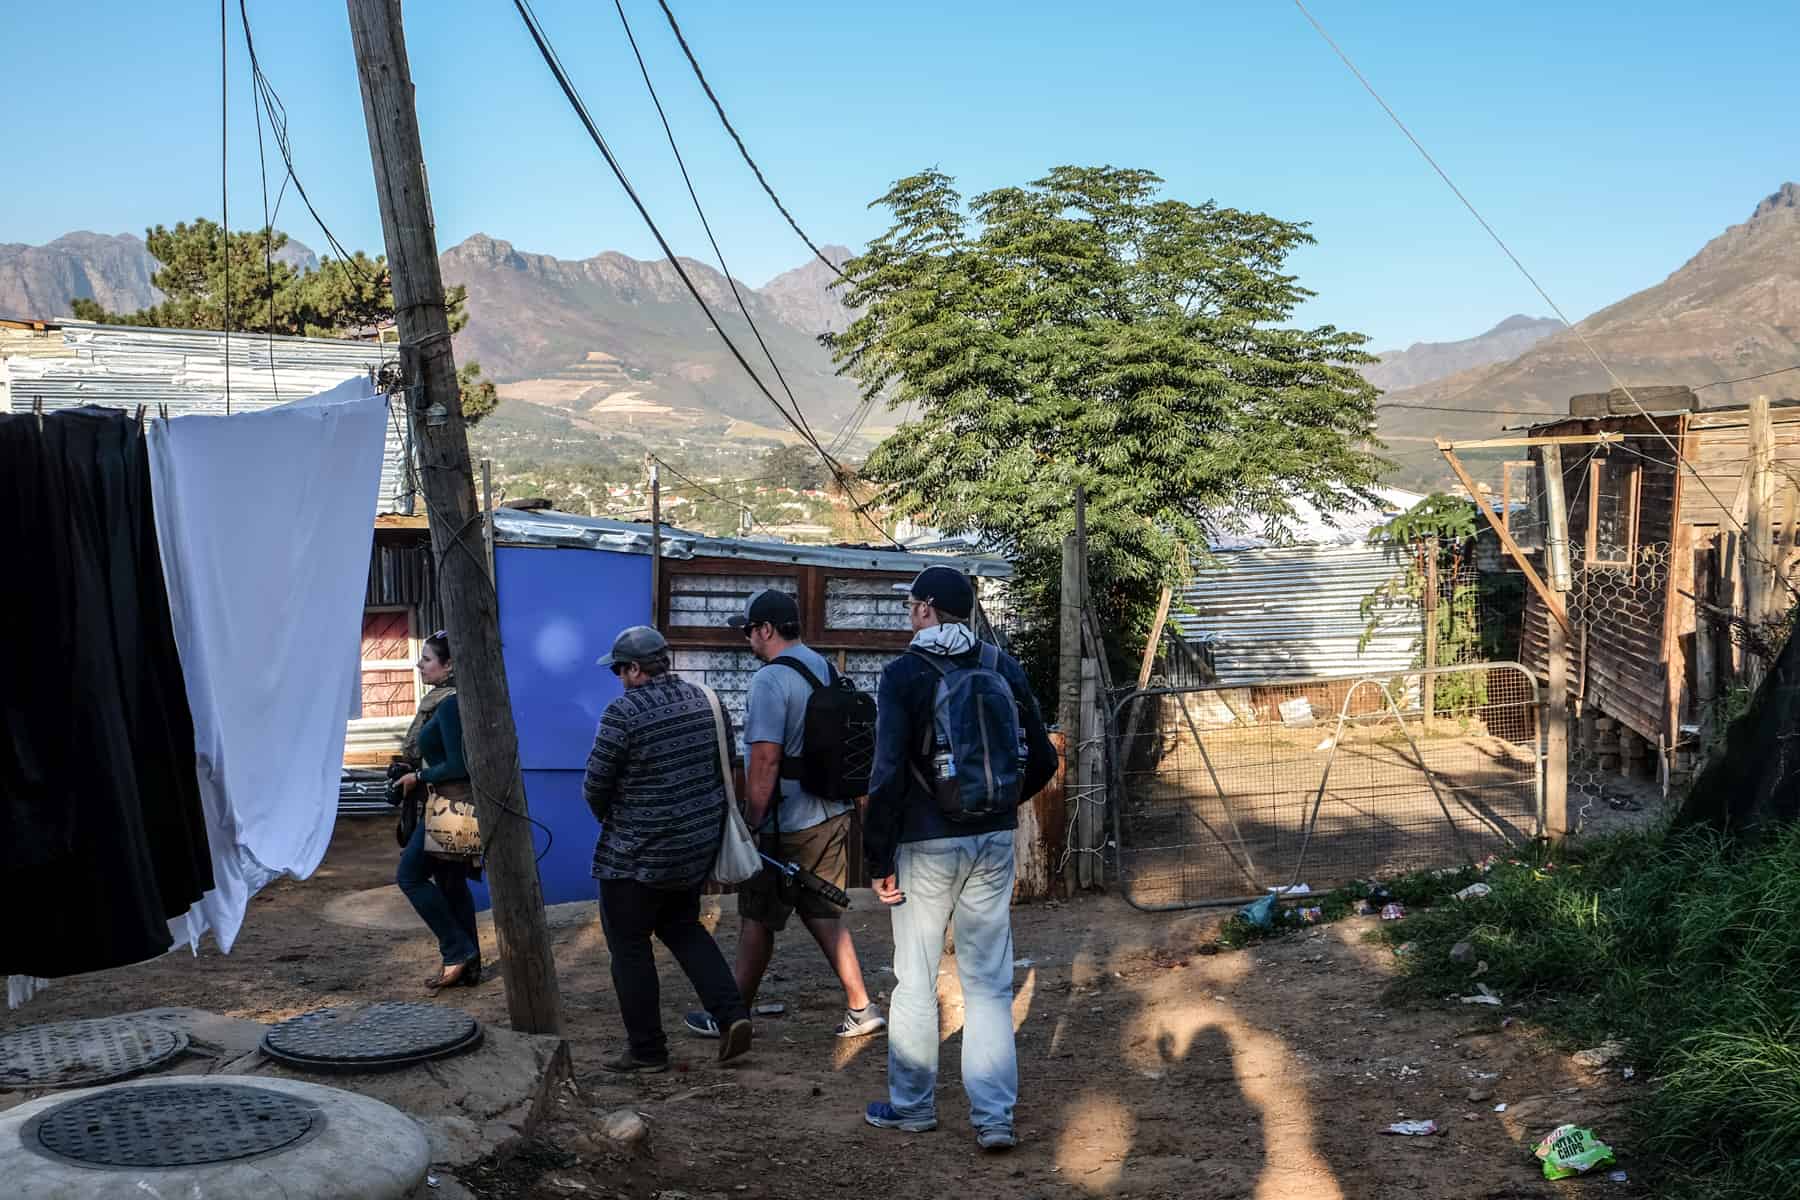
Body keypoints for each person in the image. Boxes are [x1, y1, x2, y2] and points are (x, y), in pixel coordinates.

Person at [861, 567, 1058, 1151]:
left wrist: (877, 858)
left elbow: (888, 771)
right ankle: (995, 1119)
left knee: (916, 978)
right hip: (994, 841)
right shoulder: (1002, 665)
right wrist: (997, 807)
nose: (907, 615)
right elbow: (1043, 760)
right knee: (990, 984)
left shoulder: (903, 674)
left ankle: (913, 1107)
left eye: (911, 606)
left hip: (925, 843)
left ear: (925, 610)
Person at [683, 589, 886, 1042]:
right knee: (821, 912)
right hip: (832, 812)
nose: (747, 638)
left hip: (787, 820)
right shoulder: (825, 667)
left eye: (749, 630)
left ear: (767, 629)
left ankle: (730, 1014)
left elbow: (765, 759)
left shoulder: (770, 681)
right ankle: (860, 1006)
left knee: (758, 914)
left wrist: (751, 821)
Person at [584, 625, 754, 1073]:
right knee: (683, 928)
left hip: (634, 854)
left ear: (636, 669)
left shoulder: (623, 713)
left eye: (620, 669)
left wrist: (615, 820)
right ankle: (732, 1015)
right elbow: (728, 766)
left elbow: (595, 785)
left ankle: (647, 1050)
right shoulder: (708, 702)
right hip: (692, 848)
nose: (619, 678)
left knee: (629, 946)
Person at [393, 631, 483, 992]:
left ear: (449, 666)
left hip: (452, 805)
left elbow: (458, 765)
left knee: (410, 876)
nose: (419, 664)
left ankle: (456, 951)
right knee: (450, 882)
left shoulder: (449, 705)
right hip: (453, 804)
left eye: (427, 659)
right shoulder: (447, 700)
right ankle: (469, 965)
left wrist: (419, 775)